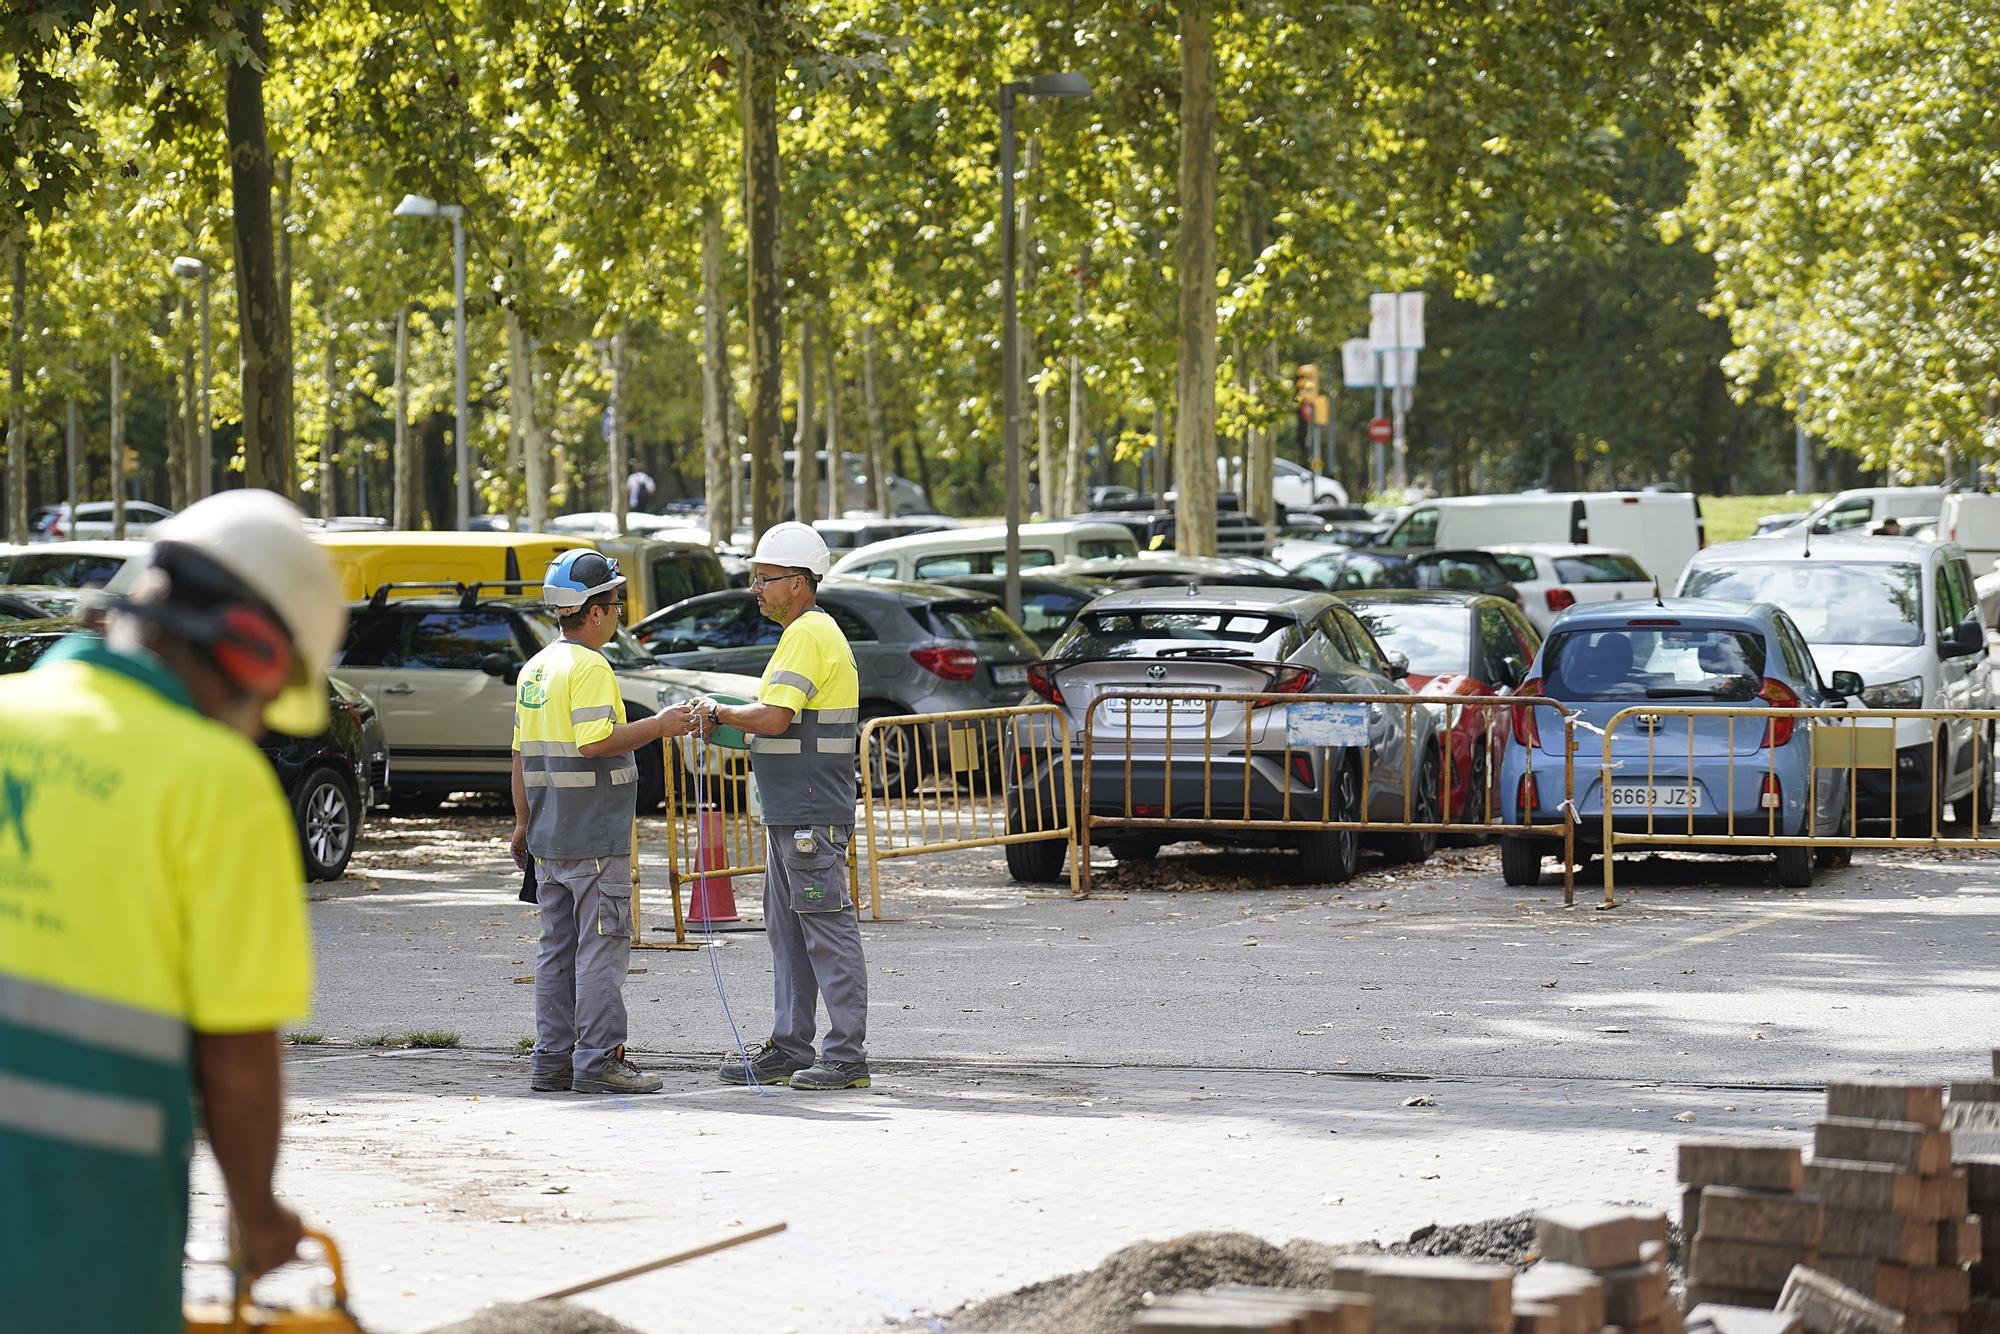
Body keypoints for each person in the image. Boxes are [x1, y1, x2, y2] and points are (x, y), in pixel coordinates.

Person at [0, 489, 344, 1332]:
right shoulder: (216, 784)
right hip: (81, 1227)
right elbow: (237, 1051)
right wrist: (257, 1219)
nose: (260, 724)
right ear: (255, 653)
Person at [513, 548, 698, 1095]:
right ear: (592, 611)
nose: (618, 614)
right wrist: (660, 726)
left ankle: (552, 1060)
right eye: (616, 603)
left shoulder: (537, 667)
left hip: (549, 837)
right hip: (594, 837)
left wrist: (523, 826)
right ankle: (598, 1061)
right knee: (600, 949)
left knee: (556, 951)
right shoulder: (590, 666)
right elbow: (595, 742)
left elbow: (520, 756)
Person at [695, 521, 869, 1091]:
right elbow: (777, 722)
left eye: (764, 579)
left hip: (809, 812)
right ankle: (791, 1044)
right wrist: (730, 720)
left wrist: (719, 713)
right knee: (789, 932)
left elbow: (773, 718)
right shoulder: (804, 635)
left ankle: (845, 1056)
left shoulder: (807, 635)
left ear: (797, 582)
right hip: (791, 809)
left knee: (826, 928)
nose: (755, 589)